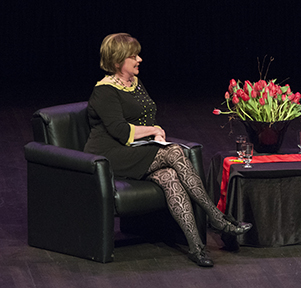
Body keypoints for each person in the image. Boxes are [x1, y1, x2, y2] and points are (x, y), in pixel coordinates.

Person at [84, 33, 252, 267]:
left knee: (170, 176)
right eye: (133, 56)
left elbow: (145, 114)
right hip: (110, 155)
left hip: (136, 150)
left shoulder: (134, 82)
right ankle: (217, 218)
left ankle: (196, 247)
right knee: (174, 152)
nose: (140, 59)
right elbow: (121, 132)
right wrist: (153, 130)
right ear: (117, 62)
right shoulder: (104, 91)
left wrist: (151, 132)